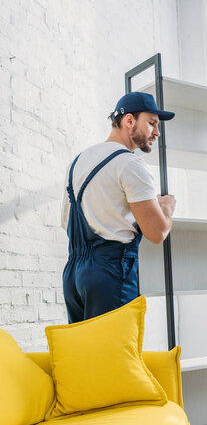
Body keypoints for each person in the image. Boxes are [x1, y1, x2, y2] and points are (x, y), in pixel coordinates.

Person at [61, 92, 176, 324]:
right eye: (152, 123)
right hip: (110, 274)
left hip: (73, 275)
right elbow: (157, 232)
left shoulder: (77, 162)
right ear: (129, 121)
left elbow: (67, 223)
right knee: (114, 356)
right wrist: (166, 207)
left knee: (82, 355)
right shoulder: (129, 164)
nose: (157, 132)